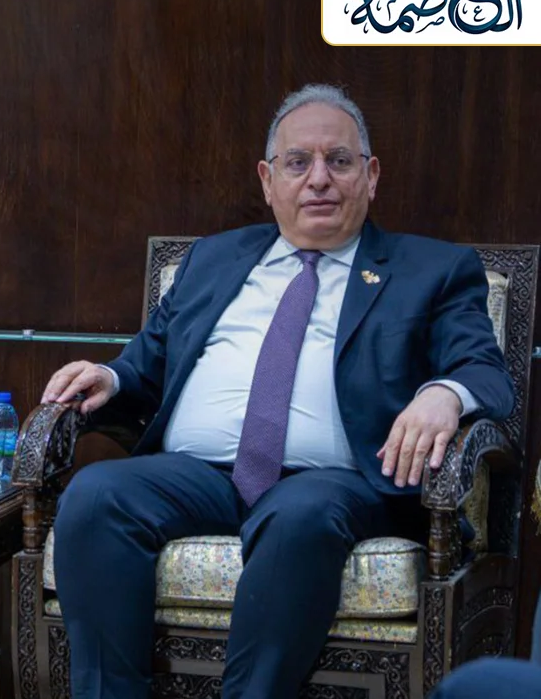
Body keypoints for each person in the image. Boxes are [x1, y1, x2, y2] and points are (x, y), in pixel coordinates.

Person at [41, 84, 513, 699]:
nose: (319, 179)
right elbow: (146, 363)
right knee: (96, 494)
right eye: (297, 162)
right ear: (268, 181)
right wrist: (109, 377)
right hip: (199, 475)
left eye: (338, 161)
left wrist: (444, 394)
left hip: (336, 483)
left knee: (299, 513)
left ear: (370, 176)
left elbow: (486, 372)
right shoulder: (212, 259)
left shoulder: (434, 270)